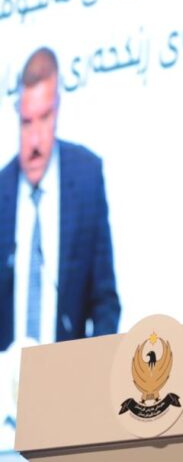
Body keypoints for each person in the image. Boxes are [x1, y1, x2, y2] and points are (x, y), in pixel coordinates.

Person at [0, 47, 120, 352]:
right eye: (26, 122)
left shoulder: (87, 177)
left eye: (44, 118)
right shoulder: (2, 189)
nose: (35, 141)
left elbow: (105, 300)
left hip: (68, 372)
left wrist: (95, 365)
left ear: (57, 110)